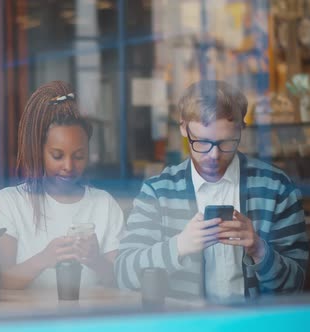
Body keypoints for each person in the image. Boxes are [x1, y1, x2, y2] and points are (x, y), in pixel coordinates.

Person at [115, 80, 309, 302]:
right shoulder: (158, 192)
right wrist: (179, 246)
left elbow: (297, 285)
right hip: (185, 325)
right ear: (182, 127)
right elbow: (124, 275)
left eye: (227, 142)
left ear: (242, 130)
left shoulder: (276, 187)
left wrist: (258, 249)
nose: (213, 156)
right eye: (201, 142)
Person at [0, 81, 125, 289]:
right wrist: (44, 258)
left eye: (79, 156)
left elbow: (120, 281)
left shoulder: (104, 204)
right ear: (38, 151)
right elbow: (1, 282)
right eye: (57, 156)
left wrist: (95, 260)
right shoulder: (9, 203)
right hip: (28, 320)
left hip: (90, 319)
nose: (68, 166)